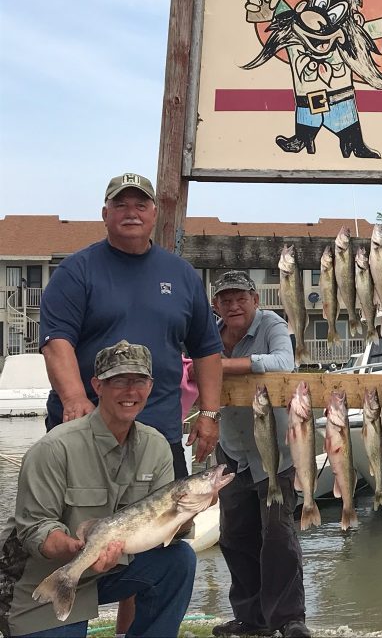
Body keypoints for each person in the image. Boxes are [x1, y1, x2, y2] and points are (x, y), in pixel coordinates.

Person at [0, 341, 197, 638]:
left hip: (112, 569)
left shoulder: (157, 446)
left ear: (150, 385)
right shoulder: (54, 448)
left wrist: (190, 510)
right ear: (97, 385)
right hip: (42, 576)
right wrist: (76, 548)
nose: (131, 391)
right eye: (118, 380)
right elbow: (34, 530)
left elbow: (159, 530)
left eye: (139, 380)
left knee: (179, 560)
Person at [38, 172, 224, 474]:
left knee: (168, 520)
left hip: (161, 433)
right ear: (105, 213)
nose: (131, 213)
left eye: (140, 205)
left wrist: (209, 413)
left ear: (154, 213)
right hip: (86, 430)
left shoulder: (182, 275)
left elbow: (207, 349)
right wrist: (73, 398)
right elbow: (56, 342)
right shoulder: (75, 272)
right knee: (79, 521)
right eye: (120, 204)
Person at [208, 271, 310, 638]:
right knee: (235, 536)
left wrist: (223, 366)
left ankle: (289, 620)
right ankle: (251, 620)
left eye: (240, 297)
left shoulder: (273, 323)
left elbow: (285, 362)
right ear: (216, 304)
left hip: (276, 454)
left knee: (279, 537)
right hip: (232, 451)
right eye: (225, 299)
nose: (233, 305)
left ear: (254, 298)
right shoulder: (210, 332)